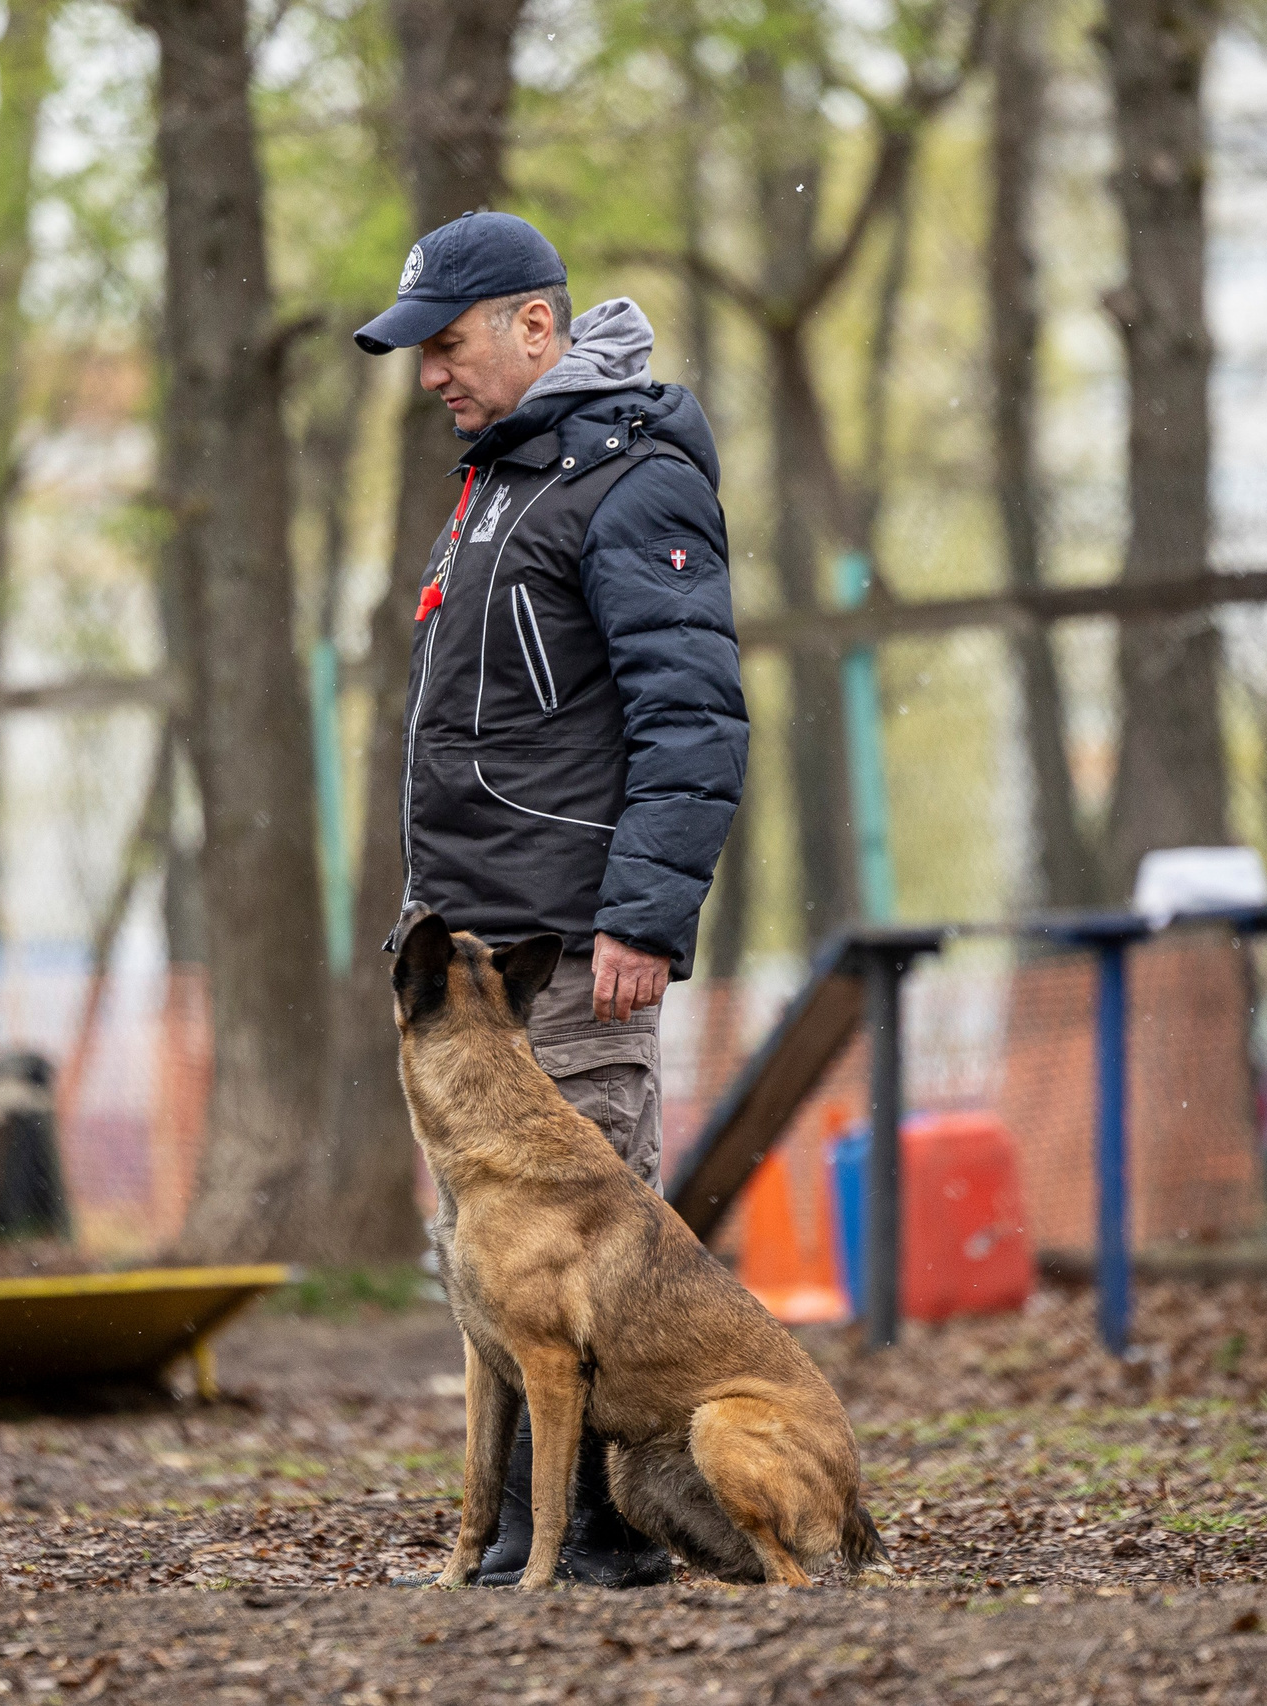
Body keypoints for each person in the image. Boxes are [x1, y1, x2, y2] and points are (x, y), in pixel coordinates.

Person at [356, 210, 747, 1587]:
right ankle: (532, 1533)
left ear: (537, 326)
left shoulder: (630, 481)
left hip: (574, 953)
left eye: (446, 344)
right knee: (506, 1267)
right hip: (478, 970)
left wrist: (644, 911)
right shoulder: (501, 483)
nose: (429, 375)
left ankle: (610, 1542)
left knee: (587, 1265)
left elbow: (689, 715)